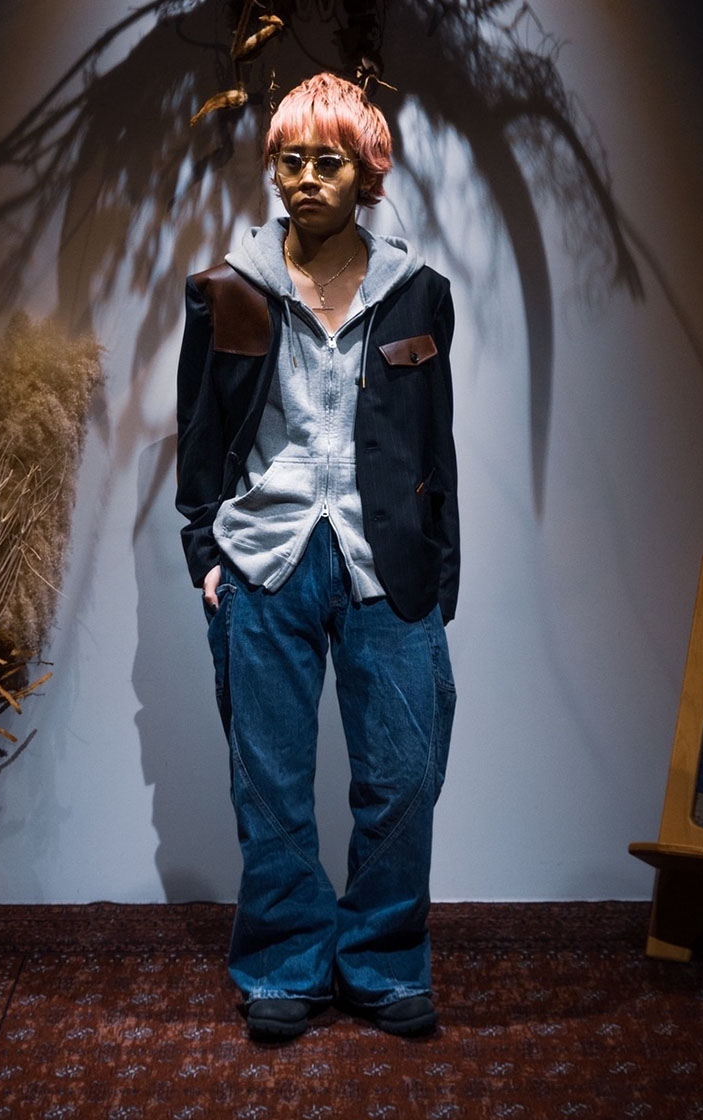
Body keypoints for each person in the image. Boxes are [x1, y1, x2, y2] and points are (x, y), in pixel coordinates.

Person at [176, 72, 459, 1041]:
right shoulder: (224, 290)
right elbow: (199, 436)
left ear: (365, 174)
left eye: (326, 162)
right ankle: (284, 964)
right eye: (289, 160)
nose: (304, 178)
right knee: (269, 782)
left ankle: (383, 962)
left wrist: (442, 572)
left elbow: (433, 445)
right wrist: (202, 550)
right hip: (265, 557)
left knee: (403, 776)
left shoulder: (418, 293)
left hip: (387, 562)